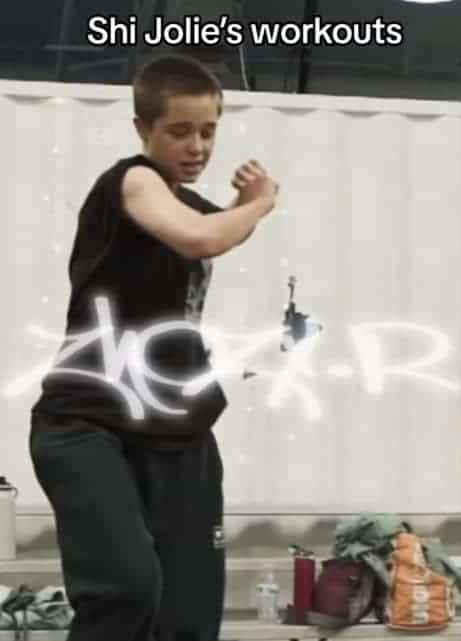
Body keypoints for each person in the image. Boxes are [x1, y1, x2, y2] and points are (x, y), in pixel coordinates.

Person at [28, 54, 278, 641]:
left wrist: (243, 209)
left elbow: (218, 229)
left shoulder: (186, 203)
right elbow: (200, 239)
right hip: (89, 424)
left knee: (187, 616)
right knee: (128, 586)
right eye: (180, 131)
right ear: (143, 128)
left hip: (178, 432)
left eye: (209, 131)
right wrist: (260, 202)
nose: (197, 147)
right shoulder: (132, 181)